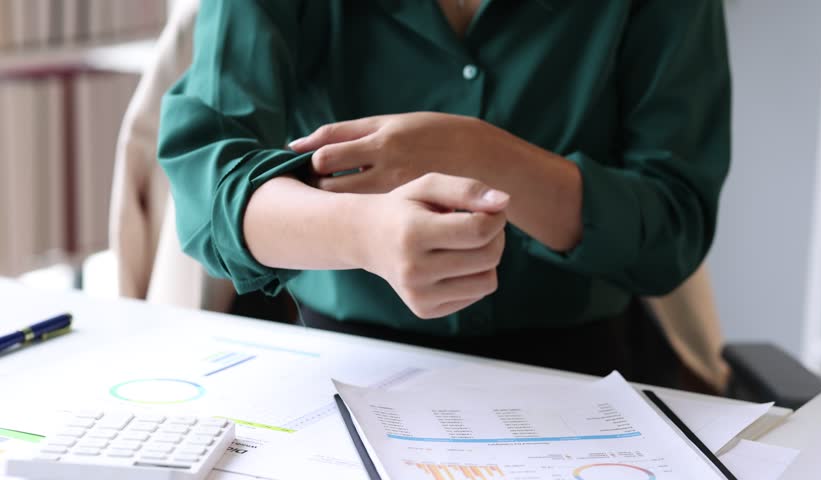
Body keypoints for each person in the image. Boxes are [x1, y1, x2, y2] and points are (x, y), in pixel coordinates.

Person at [158, 0, 730, 389]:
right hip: (338, 367)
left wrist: (480, 154)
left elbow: (674, 226)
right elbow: (206, 180)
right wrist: (361, 233)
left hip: (580, 373)